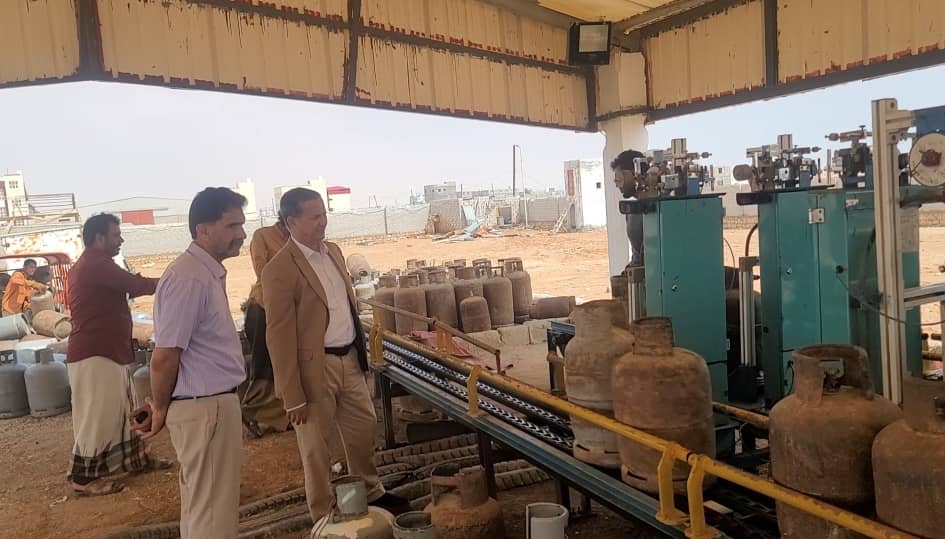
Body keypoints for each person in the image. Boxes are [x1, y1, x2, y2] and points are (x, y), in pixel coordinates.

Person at [262, 188, 409, 524]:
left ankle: (371, 492)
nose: (322, 222)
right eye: (314, 217)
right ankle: (324, 513)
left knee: (363, 429)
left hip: (349, 359)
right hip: (315, 370)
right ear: (291, 221)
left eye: (324, 214)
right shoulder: (279, 270)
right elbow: (278, 337)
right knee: (316, 448)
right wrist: (292, 395)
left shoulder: (334, 253)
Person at [132, 187, 248, 539]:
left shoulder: (202, 273)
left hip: (208, 405)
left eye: (241, 224)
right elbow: (165, 356)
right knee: (211, 516)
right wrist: (160, 407)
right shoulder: (189, 277)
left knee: (205, 510)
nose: (242, 233)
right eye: (232, 225)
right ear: (203, 230)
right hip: (205, 407)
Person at [65, 213, 171, 496]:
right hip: (95, 352)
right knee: (97, 415)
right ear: (99, 238)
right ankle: (83, 478)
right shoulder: (96, 264)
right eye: (116, 235)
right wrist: (174, 280)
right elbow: (135, 285)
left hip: (106, 350)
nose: (121, 240)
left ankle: (136, 460)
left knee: (123, 410)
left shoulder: (93, 264)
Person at [241, 217, 291, 436]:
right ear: (288, 219)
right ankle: (251, 411)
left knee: (283, 365)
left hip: (286, 309)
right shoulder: (262, 236)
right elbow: (263, 271)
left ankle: (278, 418)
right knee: (265, 365)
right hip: (262, 309)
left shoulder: (298, 239)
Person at [612, 149, 648, 268]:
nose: (617, 185)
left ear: (633, 173)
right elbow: (637, 255)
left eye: (619, 178)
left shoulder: (656, 208)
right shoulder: (632, 210)